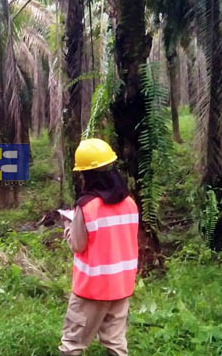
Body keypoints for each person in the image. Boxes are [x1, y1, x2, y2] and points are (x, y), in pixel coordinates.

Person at [59, 138, 139, 356]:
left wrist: (68, 226)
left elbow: (77, 245)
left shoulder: (87, 207)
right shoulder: (130, 203)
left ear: (87, 175)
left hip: (92, 289)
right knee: (115, 343)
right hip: (121, 286)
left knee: (73, 343)